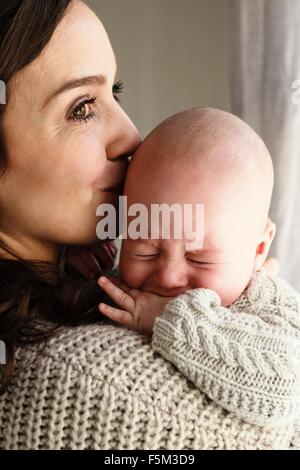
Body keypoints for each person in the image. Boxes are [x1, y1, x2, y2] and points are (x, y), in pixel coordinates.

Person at [0, 0, 298, 449]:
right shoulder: (91, 383)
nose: (132, 136)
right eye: (82, 107)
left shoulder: (83, 282)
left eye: (113, 93)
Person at [97, 108, 300, 427]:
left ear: (258, 249)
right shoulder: (123, 288)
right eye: (145, 250)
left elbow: (286, 387)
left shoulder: (271, 306)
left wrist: (168, 316)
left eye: (198, 258)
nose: (168, 276)